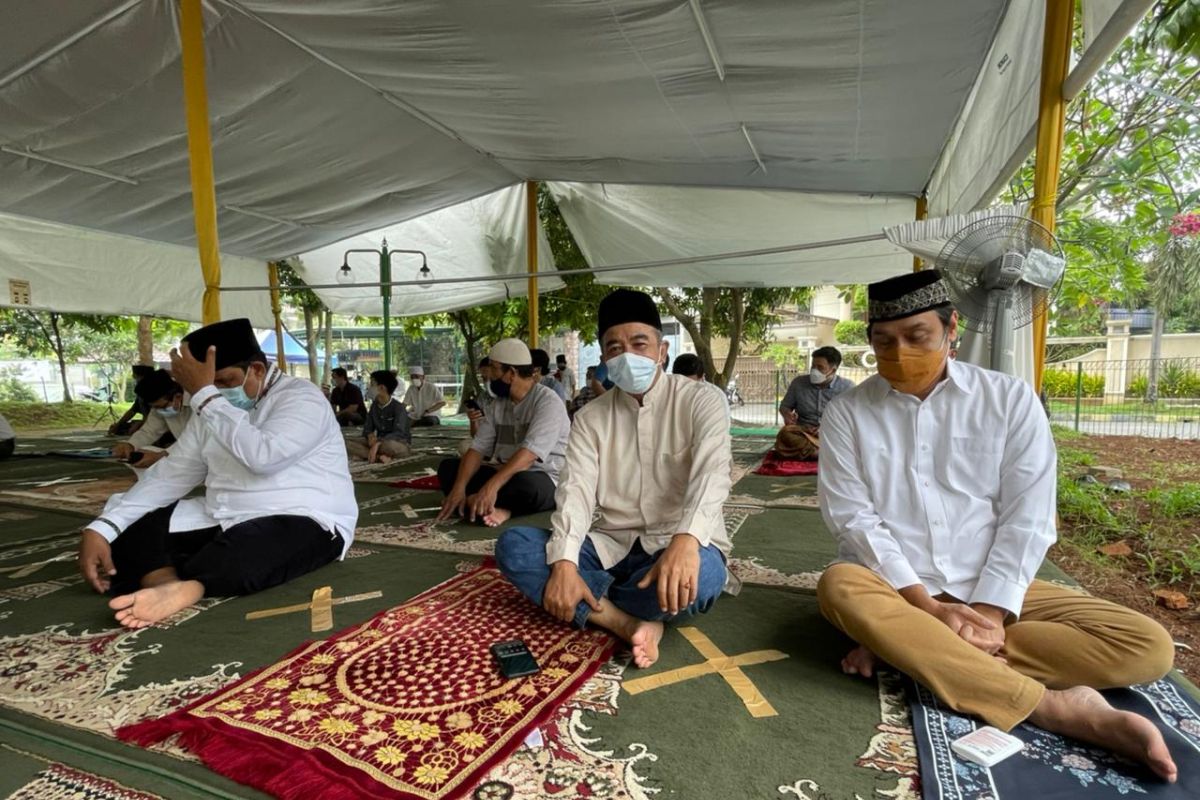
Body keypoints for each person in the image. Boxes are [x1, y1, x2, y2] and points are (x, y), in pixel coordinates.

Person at [816, 270, 1177, 782]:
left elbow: (1027, 513)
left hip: (996, 586)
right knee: (839, 586)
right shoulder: (848, 412)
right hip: (898, 589)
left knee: (1147, 645)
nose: (898, 352)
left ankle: (908, 651)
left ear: (950, 329)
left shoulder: (1009, 399)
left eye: (916, 337)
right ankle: (1053, 706)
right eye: (883, 341)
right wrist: (927, 609)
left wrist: (987, 612)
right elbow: (853, 518)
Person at [495, 290, 732, 669]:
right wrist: (566, 565)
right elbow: (575, 493)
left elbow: (713, 474)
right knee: (515, 545)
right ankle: (627, 621)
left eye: (640, 343)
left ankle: (590, 603)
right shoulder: (591, 418)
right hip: (609, 545)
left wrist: (687, 540)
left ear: (661, 349)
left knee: (704, 577)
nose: (628, 356)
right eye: (615, 347)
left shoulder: (700, 401)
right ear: (604, 357)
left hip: (678, 542)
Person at [77, 318, 358, 629]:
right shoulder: (208, 407)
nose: (217, 393)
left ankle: (192, 585)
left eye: (224, 381)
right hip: (223, 514)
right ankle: (165, 583)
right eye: (209, 386)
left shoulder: (301, 398)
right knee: (128, 526)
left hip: (303, 515)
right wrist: (102, 527)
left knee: (250, 552)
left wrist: (206, 397)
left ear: (257, 370)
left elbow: (263, 458)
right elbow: (173, 473)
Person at [437, 339, 570, 527]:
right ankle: (477, 501)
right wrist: (459, 488)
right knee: (448, 468)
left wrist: (490, 488)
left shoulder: (547, 402)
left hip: (542, 476)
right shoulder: (498, 404)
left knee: (527, 487)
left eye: (493, 368)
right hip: (502, 473)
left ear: (511, 373)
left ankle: (496, 506)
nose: (488, 374)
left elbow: (528, 456)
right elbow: (477, 448)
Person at [111, 370, 191, 469]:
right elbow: (149, 431)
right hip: (185, 452)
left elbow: (194, 440)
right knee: (143, 450)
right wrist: (130, 445)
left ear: (178, 397)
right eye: (155, 407)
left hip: (207, 454)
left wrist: (161, 456)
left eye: (161, 406)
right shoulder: (159, 406)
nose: (158, 410)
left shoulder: (198, 402)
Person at [779, 346, 853, 430]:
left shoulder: (847, 388)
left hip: (833, 433)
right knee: (784, 435)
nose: (814, 371)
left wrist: (826, 429)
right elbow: (785, 406)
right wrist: (787, 415)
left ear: (833, 370)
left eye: (820, 367)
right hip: (803, 432)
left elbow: (852, 417)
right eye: (813, 366)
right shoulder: (798, 383)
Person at [346, 370, 411, 463]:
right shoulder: (374, 406)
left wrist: (378, 443)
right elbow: (367, 428)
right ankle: (377, 457)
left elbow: (399, 434)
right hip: (376, 443)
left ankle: (368, 454)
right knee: (345, 443)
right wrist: (370, 435)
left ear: (382, 388)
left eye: (372, 384)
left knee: (390, 446)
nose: (369, 387)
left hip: (396, 444)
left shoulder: (399, 408)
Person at [671, 353, 730, 418]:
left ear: (702, 377)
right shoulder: (667, 393)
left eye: (690, 384)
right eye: (681, 383)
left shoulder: (714, 399)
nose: (685, 388)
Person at [108, 364, 156, 436]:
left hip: (155, 425)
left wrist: (140, 424)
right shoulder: (141, 393)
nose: (134, 378)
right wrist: (118, 425)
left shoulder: (156, 392)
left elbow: (157, 417)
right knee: (120, 427)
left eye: (136, 376)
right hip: (147, 423)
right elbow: (133, 411)